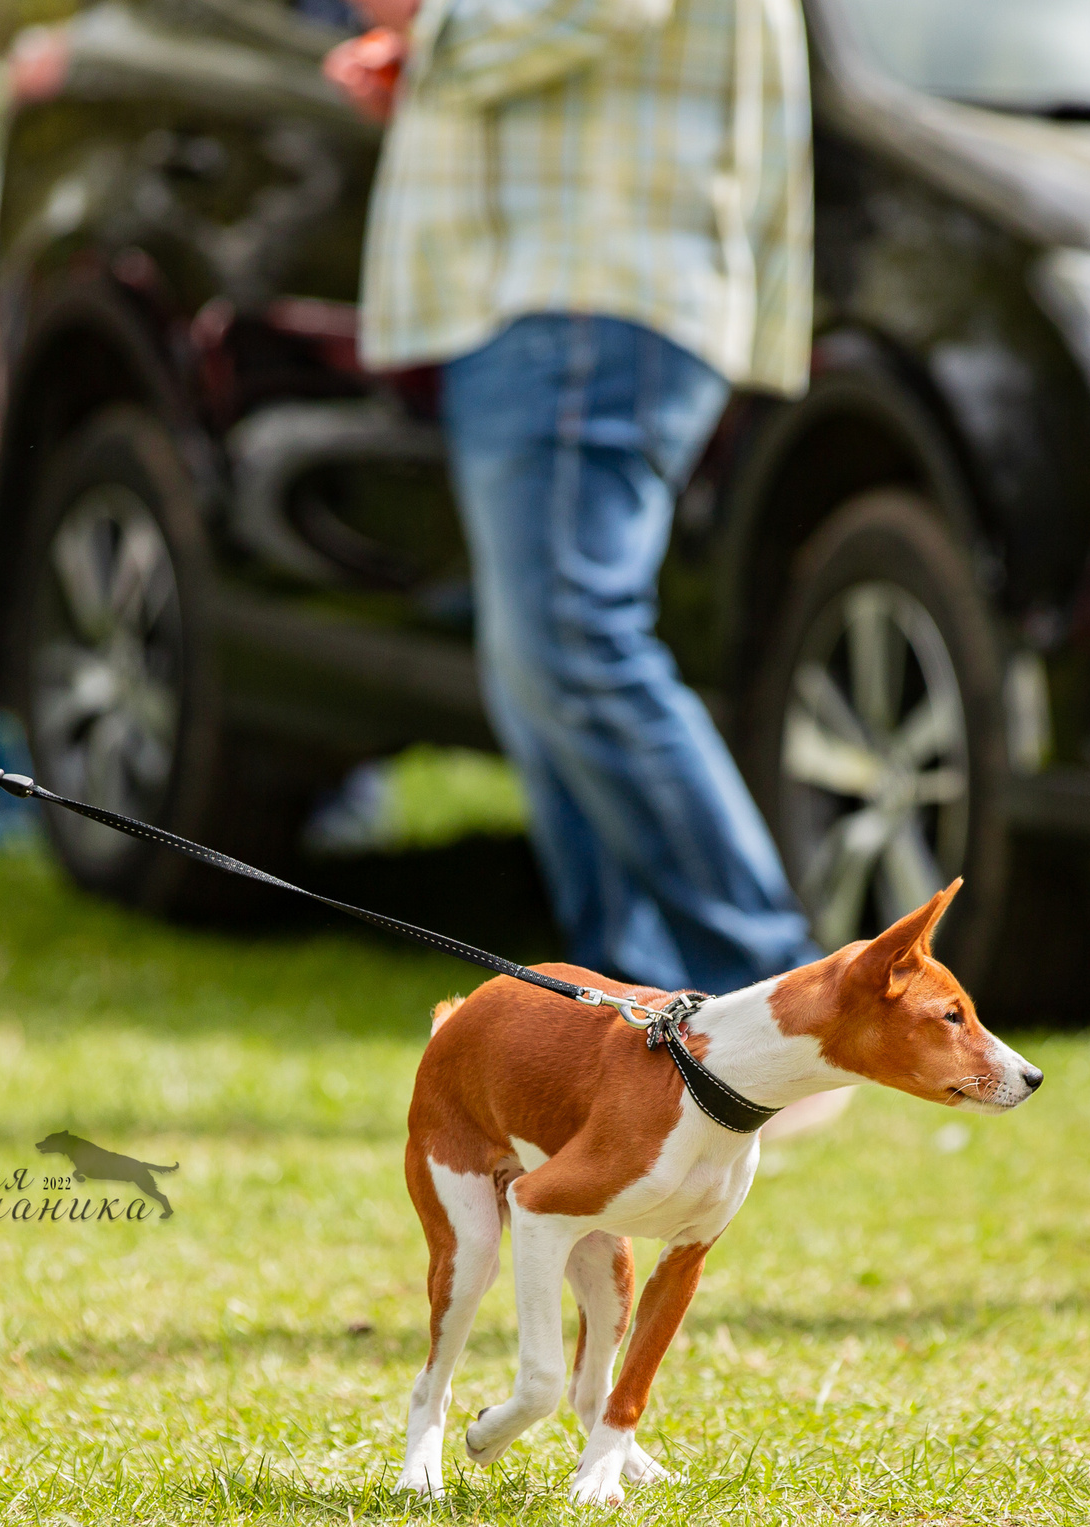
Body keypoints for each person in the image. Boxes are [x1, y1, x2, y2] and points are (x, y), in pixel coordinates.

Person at [325, 0, 823, 1001]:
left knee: (568, 644)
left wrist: (433, 26)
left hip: (588, 295)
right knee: (542, 662)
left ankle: (773, 1001)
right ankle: (630, 1013)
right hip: (570, 294)